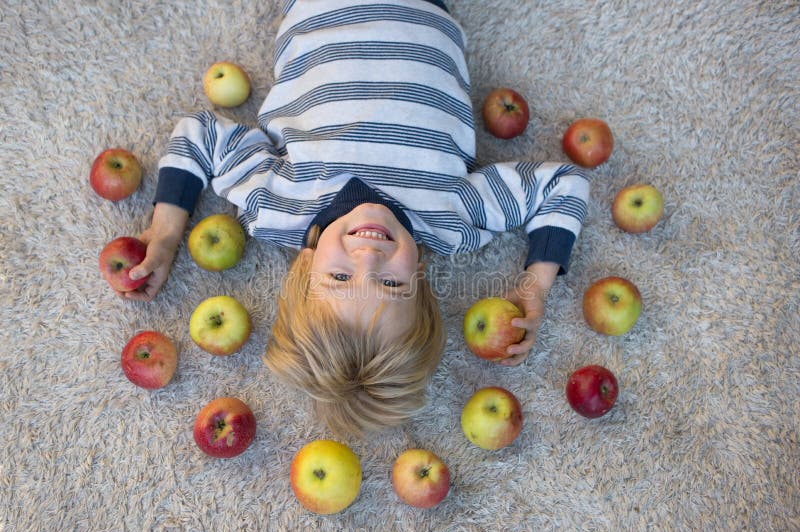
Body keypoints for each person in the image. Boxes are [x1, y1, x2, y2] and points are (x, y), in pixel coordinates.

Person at [120, 0, 590, 436]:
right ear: (423, 283)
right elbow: (563, 186)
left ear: (305, 268)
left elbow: (199, 134)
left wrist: (164, 235)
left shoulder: (274, 204)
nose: (369, 256)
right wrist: (536, 287)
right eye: (391, 285)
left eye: (340, 276)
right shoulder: (452, 218)